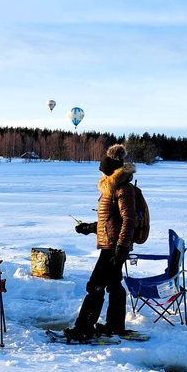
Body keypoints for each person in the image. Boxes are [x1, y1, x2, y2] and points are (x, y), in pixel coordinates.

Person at [65, 144, 137, 341]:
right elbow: (110, 221)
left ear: (110, 172)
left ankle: (84, 328)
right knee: (114, 284)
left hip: (114, 247)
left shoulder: (123, 189)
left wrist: (121, 248)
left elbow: (129, 220)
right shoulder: (111, 189)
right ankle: (115, 326)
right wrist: (89, 228)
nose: (101, 175)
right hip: (112, 244)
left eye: (103, 172)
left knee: (95, 285)